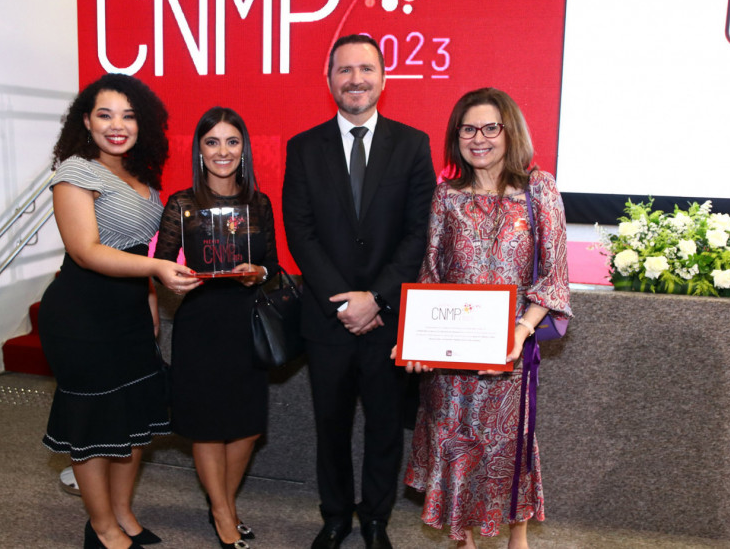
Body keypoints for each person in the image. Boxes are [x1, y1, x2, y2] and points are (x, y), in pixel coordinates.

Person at [400, 87, 571, 549]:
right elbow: (431, 275)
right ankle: (465, 543)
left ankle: (518, 541)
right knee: (456, 447)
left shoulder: (539, 189)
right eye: (468, 129)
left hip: (508, 354)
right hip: (450, 362)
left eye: (490, 128)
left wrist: (521, 331)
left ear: (509, 131)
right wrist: (415, 342)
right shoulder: (446, 197)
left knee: (509, 449)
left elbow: (554, 275)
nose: (479, 139)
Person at [282, 35, 436, 549]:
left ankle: (375, 519)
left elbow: (419, 231)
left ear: (383, 78)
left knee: (385, 427)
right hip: (327, 318)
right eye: (344, 70)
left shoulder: (412, 144)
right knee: (330, 425)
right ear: (329, 80)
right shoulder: (304, 147)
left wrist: (377, 297)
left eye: (366, 69)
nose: (356, 79)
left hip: (388, 319)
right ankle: (335, 516)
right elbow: (299, 231)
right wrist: (346, 300)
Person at [39, 73, 197, 549]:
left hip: (130, 316)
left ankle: (124, 514)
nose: (117, 125)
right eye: (105, 115)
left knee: (133, 421)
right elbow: (86, 250)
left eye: (128, 116)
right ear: (86, 121)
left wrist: (149, 300)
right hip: (81, 316)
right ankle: (102, 527)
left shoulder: (141, 177)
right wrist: (157, 269)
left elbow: (136, 249)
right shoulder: (75, 172)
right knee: (93, 426)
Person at [154, 107, 278, 549]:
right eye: (212, 142)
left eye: (232, 141)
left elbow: (273, 265)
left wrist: (258, 273)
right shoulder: (181, 203)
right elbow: (161, 266)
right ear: (199, 150)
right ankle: (224, 513)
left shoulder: (259, 203)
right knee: (207, 426)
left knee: (247, 426)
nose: (222, 151)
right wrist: (174, 278)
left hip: (247, 323)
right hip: (200, 324)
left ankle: (220, 503)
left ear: (244, 148)